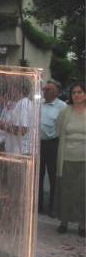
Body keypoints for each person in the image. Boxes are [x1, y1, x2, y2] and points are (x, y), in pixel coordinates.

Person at [56, 81, 86, 237]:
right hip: (67, 158)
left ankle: (82, 224)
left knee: (83, 193)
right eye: (74, 92)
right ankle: (64, 222)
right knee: (66, 192)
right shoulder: (65, 112)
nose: (77, 95)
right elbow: (58, 130)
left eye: (80, 92)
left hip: (84, 160)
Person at [39, 79, 66, 216]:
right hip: (39, 144)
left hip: (52, 144)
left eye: (47, 89)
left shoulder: (62, 107)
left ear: (55, 92)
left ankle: (52, 208)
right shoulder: (40, 104)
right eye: (44, 89)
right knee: (38, 175)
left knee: (53, 176)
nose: (44, 91)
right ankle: (38, 206)